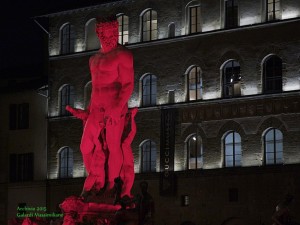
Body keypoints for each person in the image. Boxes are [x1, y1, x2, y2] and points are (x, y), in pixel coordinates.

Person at [66, 15, 134, 199]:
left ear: (117, 31)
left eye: (112, 31)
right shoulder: (93, 59)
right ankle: (96, 179)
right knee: (85, 147)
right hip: (96, 108)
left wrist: (118, 106)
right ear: (99, 32)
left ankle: (112, 184)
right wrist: (87, 111)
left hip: (115, 107)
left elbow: (128, 84)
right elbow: (95, 88)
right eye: (105, 31)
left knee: (113, 146)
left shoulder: (123, 54)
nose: (110, 35)